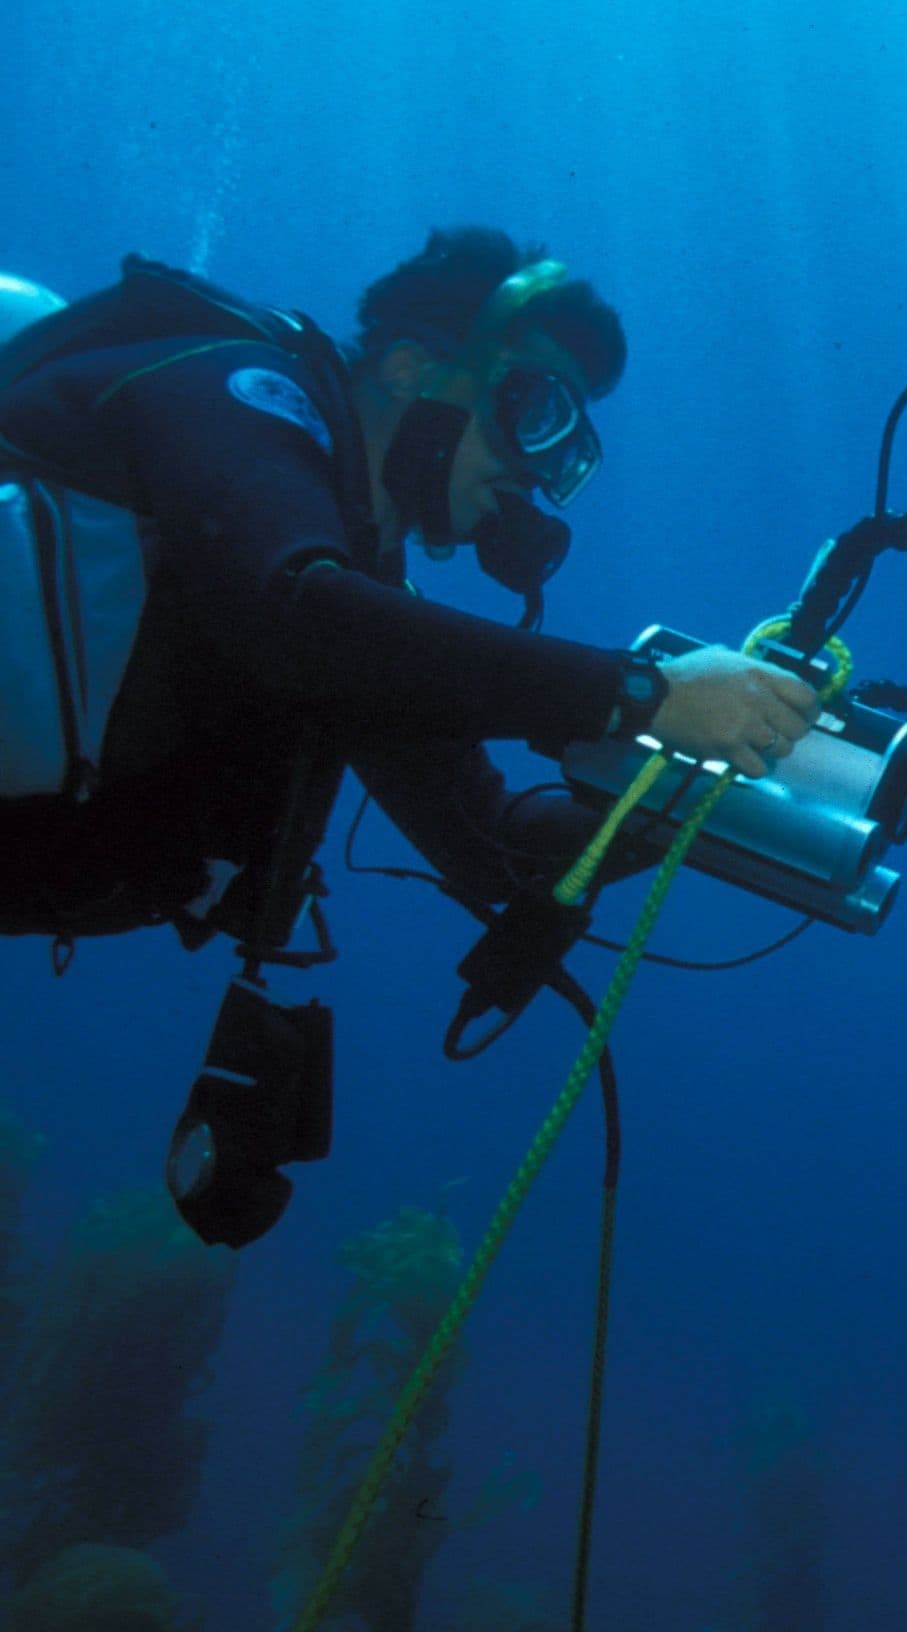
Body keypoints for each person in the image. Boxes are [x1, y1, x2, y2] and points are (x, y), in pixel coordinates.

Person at [0, 229, 821, 1241]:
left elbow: (497, 843)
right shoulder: (233, 391)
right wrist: (644, 695)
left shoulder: (356, 612)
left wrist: (711, 786)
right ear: (407, 368)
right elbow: (301, 617)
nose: (536, 472)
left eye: (569, 452)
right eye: (532, 409)